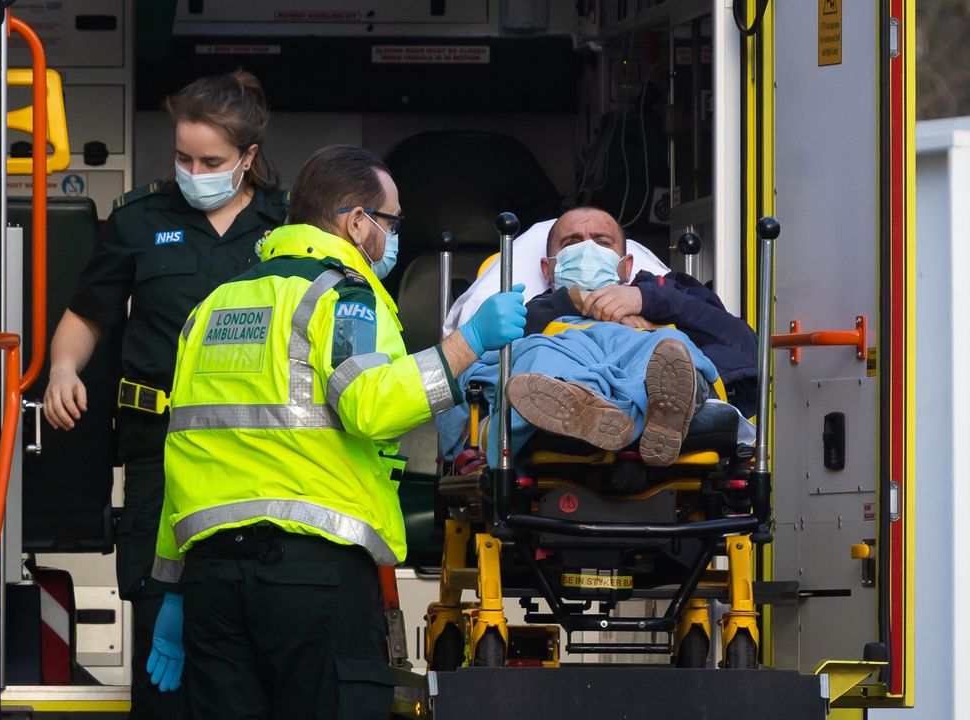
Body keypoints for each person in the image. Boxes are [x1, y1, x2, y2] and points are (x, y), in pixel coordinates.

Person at [144, 144, 527, 719]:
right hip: (311, 578)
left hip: (212, 583)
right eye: (390, 221)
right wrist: (468, 341)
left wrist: (173, 588)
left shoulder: (215, 305)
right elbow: (370, 406)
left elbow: (186, 448)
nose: (392, 236)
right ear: (355, 222)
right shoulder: (345, 297)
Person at [40, 70, 285, 718]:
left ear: (249, 158)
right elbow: (87, 315)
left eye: (211, 161)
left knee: (253, 640)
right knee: (161, 645)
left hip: (263, 462)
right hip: (161, 458)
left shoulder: (286, 227)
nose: (194, 171)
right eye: (183, 157)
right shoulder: (140, 220)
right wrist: (63, 370)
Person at [461, 206, 756, 465]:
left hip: (647, 365)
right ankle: (599, 406)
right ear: (547, 269)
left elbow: (745, 346)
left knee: (670, 348)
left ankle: (624, 413)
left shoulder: (667, 295)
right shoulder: (521, 313)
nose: (587, 250)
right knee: (539, 353)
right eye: (571, 242)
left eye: (602, 242)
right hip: (569, 363)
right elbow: (476, 360)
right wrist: (571, 304)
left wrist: (647, 300)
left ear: (626, 266)